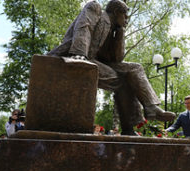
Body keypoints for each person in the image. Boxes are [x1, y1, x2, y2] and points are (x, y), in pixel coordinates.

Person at [48, 0, 175, 135]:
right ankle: (130, 126)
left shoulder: (114, 30)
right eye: (125, 16)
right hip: (76, 55)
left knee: (135, 69)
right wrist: (79, 53)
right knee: (123, 81)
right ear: (116, 12)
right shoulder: (96, 9)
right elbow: (84, 27)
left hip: (96, 62)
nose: (127, 20)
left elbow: (117, 59)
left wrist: (120, 34)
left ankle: (149, 109)